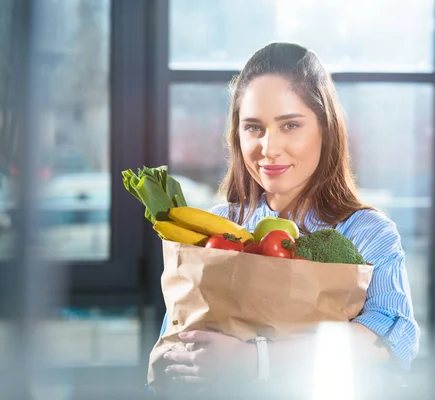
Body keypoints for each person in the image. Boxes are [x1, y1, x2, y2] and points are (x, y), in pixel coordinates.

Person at [156, 42, 419, 395]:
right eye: (253, 128)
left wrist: (253, 362)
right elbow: (176, 327)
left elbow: (391, 336)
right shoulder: (216, 226)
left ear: (326, 129)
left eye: (290, 125)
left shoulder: (367, 232)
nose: (269, 147)